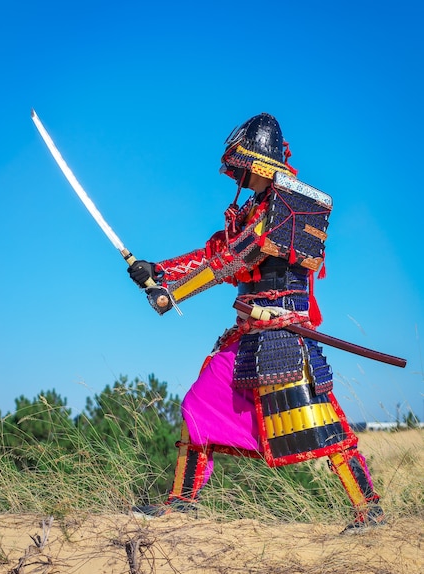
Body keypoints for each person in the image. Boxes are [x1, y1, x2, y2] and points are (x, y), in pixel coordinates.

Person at [128, 113, 386, 535]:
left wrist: (172, 293)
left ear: (257, 163)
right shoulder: (252, 210)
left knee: (322, 426)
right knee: (197, 405)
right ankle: (181, 503)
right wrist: (158, 270)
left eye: (243, 164)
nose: (238, 173)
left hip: (282, 336)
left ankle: (368, 508)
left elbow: (235, 259)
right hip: (247, 337)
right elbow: (214, 253)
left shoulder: (288, 208)